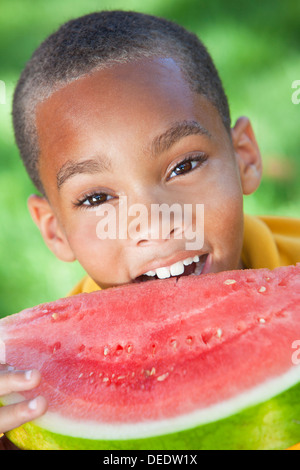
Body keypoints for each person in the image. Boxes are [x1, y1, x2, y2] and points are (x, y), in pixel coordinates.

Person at [1, 10, 299, 450]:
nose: (155, 222)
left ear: (245, 159)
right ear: (55, 230)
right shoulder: (41, 384)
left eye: (183, 166)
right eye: (97, 199)